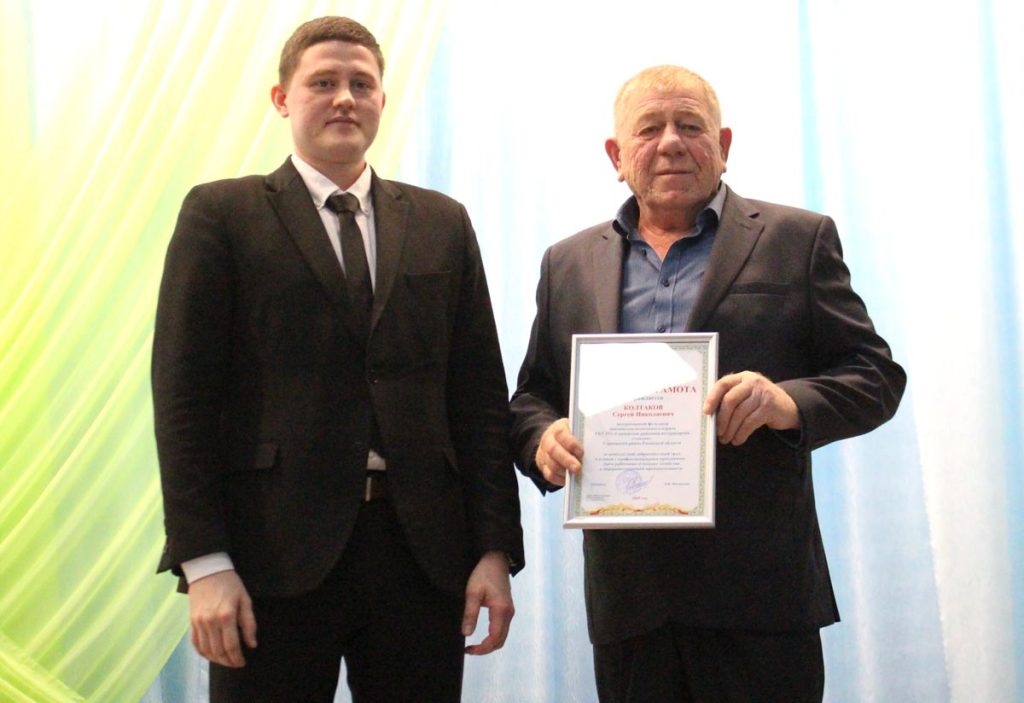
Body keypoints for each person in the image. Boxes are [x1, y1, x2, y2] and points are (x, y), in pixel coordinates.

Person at [153, 16, 523, 703]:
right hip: (268, 560)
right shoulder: (222, 215)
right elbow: (183, 401)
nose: (344, 98)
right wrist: (203, 561)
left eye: (361, 83)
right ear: (282, 99)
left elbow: (477, 399)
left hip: (421, 556)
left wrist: (495, 548)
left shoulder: (443, 222)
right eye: (322, 82)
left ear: (383, 99)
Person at [510, 65, 906, 702]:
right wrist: (543, 439)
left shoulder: (796, 239)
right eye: (649, 129)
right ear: (616, 156)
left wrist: (786, 402)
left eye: (690, 126)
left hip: (760, 598)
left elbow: (875, 376)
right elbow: (533, 396)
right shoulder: (568, 263)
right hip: (630, 604)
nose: (671, 142)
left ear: (722, 145)